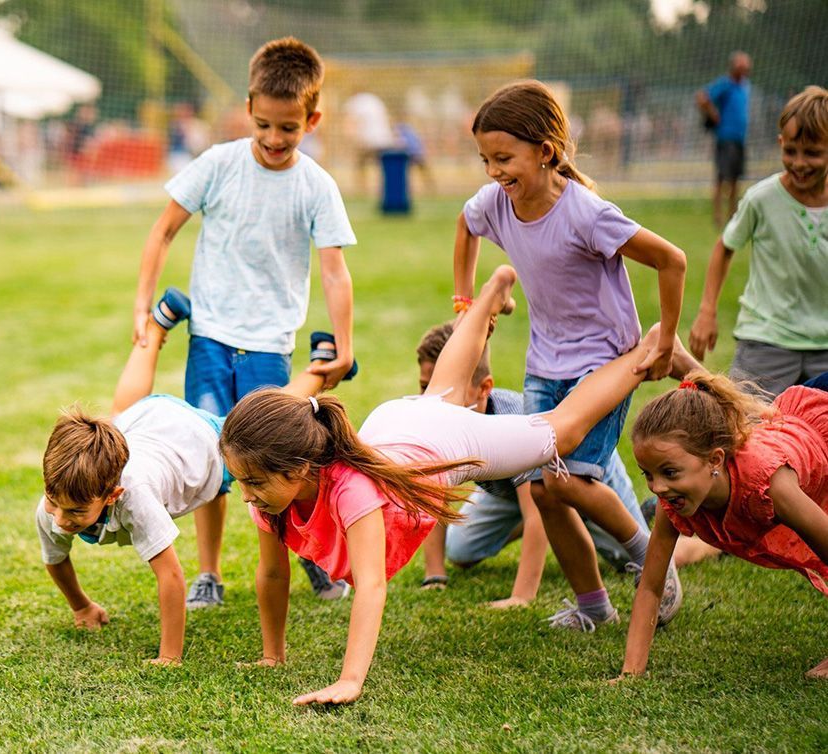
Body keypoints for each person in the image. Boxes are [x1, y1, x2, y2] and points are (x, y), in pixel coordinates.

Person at [220, 265, 671, 705]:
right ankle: (494, 290)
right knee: (445, 390)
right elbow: (273, 574)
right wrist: (271, 656)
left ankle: (641, 354)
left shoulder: (350, 490)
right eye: (241, 481)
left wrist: (350, 680)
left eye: (254, 481)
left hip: (439, 445)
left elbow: (372, 585)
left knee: (563, 431)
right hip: (396, 425)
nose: (246, 494)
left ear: (298, 467)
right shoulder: (268, 499)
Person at [131, 37, 357, 608]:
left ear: (313, 117)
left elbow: (334, 272)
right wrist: (142, 306)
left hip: (268, 347)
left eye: (289, 128)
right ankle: (209, 573)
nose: (275, 139)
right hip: (209, 338)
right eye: (264, 125)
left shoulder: (316, 186)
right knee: (210, 454)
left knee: (278, 459)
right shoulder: (218, 164)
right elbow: (161, 231)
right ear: (249, 106)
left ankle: (302, 556)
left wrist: (345, 344)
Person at [454, 80, 687, 632]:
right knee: (542, 489)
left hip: (605, 362)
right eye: (485, 159)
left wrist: (666, 340)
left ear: (546, 151)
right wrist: (466, 299)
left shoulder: (586, 213)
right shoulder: (496, 203)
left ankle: (651, 560)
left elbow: (672, 260)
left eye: (504, 158)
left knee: (563, 482)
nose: (493, 172)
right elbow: (465, 226)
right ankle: (593, 607)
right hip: (545, 365)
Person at [36, 289, 350, 665]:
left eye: (72, 512)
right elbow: (55, 559)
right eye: (55, 503)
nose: (58, 518)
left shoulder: (136, 494)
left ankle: (322, 365)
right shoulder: (55, 500)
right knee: (119, 412)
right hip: (145, 424)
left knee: (260, 427)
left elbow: (170, 576)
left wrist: (169, 657)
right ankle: (158, 323)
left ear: (112, 494)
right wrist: (82, 606)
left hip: (196, 441)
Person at [414, 321, 651, 600]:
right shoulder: (435, 423)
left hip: (578, 475)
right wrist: (435, 574)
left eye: (445, 389)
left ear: (484, 388)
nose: (431, 399)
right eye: (425, 387)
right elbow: (433, 494)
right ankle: (560, 522)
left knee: (630, 559)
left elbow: (537, 511)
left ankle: (704, 545)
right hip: (512, 494)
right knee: (460, 551)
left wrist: (521, 597)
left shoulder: (512, 423)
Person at [618, 370, 828, 681]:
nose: (657, 488)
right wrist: (630, 674)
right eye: (647, 474)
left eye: (670, 472)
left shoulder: (770, 486)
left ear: (715, 460)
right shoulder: (672, 501)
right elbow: (650, 587)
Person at [689, 86, 828, 396]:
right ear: (781, 143)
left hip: (825, 345)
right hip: (767, 340)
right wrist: (707, 311)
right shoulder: (761, 199)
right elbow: (725, 247)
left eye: (813, 153)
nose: (800, 163)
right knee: (748, 428)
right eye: (791, 151)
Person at [696, 52, 752, 227]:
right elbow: (702, 97)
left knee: (735, 179)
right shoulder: (725, 84)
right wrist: (714, 115)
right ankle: (718, 216)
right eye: (741, 67)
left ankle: (732, 216)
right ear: (733, 68)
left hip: (740, 139)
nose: (744, 71)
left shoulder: (745, 86)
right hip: (725, 138)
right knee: (721, 179)